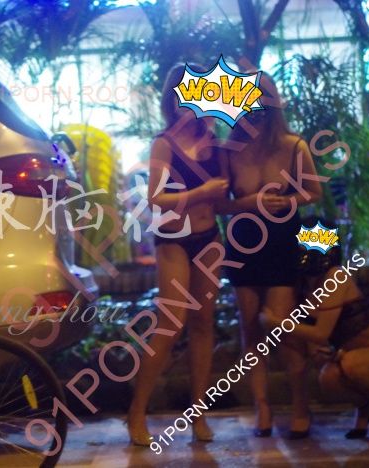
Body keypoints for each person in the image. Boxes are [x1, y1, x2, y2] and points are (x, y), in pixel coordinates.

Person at [127, 64, 229, 445]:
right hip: (173, 239)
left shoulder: (214, 140)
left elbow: (224, 197)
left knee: (203, 323)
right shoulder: (164, 143)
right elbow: (155, 198)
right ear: (173, 99)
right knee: (170, 325)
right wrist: (201, 193)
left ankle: (198, 414)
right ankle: (137, 412)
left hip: (208, 237)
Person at [218, 73, 322, 439]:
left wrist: (287, 201)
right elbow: (220, 204)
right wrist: (247, 202)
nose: (256, 107)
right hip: (243, 240)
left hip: (281, 238)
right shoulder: (229, 150)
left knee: (282, 325)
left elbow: (313, 192)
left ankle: (300, 404)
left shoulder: (294, 145)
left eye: (262, 99)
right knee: (249, 329)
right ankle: (261, 407)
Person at [261, 220, 369, 439]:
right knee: (329, 378)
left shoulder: (336, 276)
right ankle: (365, 409)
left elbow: (320, 333)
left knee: (352, 364)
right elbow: (316, 340)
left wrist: (276, 323)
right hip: (354, 353)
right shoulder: (305, 285)